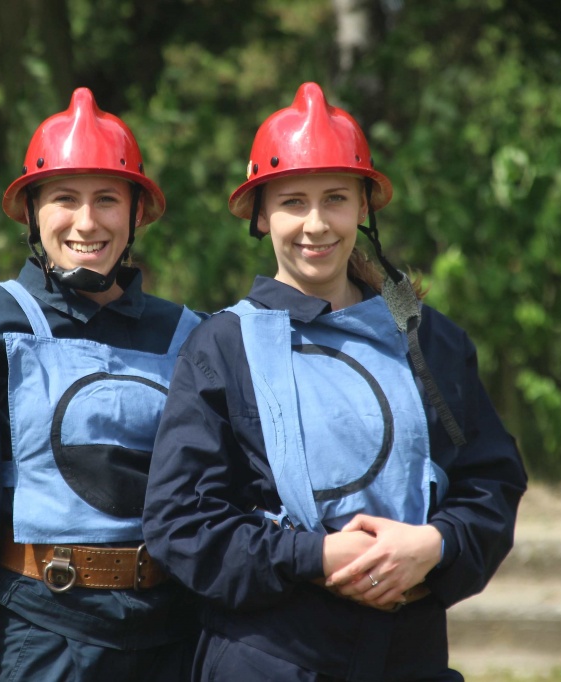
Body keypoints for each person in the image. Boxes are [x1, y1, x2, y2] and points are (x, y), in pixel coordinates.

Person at [142, 82, 528, 681]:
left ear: (364, 208)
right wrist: (315, 555)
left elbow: (491, 482)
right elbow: (181, 525)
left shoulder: (427, 339)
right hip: (271, 660)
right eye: (293, 202)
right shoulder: (221, 347)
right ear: (261, 215)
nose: (316, 224)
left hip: (410, 658)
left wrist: (436, 545)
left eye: (336, 199)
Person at [0, 88, 202, 682]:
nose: (87, 221)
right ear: (32, 212)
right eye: (64, 198)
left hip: (175, 639)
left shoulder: (193, 335)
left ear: (136, 213)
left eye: (107, 199)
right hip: (41, 637)